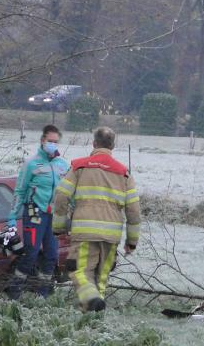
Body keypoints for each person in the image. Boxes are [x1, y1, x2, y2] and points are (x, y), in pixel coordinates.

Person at [52, 127, 140, 312]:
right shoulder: (124, 173)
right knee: (101, 278)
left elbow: (61, 196)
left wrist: (59, 226)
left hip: (85, 233)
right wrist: (131, 242)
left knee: (80, 272)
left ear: (93, 144)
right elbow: (133, 211)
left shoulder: (80, 167)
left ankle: (91, 300)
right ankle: (94, 318)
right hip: (111, 236)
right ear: (113, 146)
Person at [6, 124, 70, 298]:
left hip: (55, 216)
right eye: (50, 141)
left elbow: (68, 192)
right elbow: (19, 190)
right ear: (42, 140)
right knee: (31, 253)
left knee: (51, 255)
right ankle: (15, 289)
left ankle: (43, 292)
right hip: (35, 213)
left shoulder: (63, 165)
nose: (53, 144)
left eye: (56, 142)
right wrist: (12, 216)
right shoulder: (31, 163)